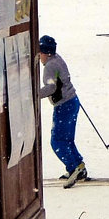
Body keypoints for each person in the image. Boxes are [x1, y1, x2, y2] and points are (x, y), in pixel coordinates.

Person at [36, 35, 88, 188]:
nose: (39, 57)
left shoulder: (50, 66)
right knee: (67, 139)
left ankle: (74, 168)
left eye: (40, 53)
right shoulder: (57, 59)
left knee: (57, 141)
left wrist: (33, 95)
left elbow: (51, 87)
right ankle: (78, 166)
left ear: (46, 53)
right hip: (72, 101)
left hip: (64, 105)